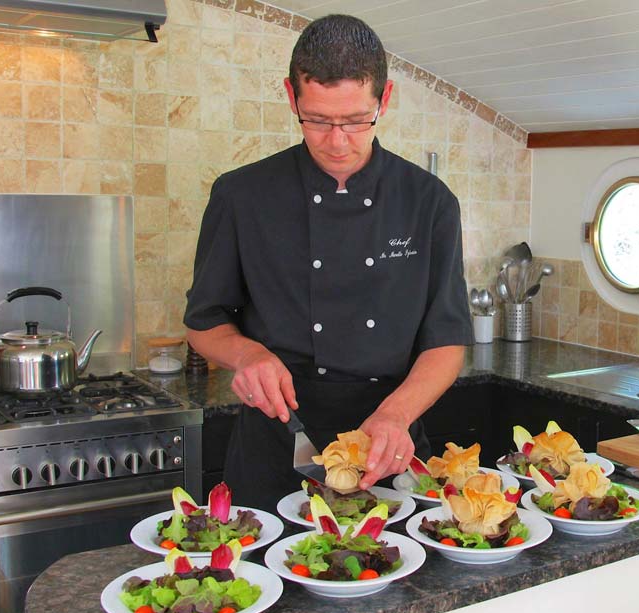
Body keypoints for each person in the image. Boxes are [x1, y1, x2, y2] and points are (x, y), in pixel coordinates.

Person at [183, 14, 473, 512]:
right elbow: (203, 323)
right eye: (317, 120)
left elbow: (447, 340)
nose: (337, 141)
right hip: (275, 444)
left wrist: (396, 415)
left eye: (356, 121)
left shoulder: (430, 202)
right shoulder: (241, 195)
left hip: (389, 444)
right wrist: (247, 356)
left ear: (384, 99)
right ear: (291, 97)